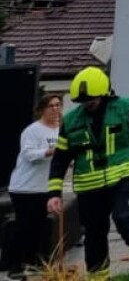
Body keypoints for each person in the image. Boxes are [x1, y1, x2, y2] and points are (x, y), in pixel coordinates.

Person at [46, 67, 129, 281]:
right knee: (94, 234)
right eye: (83, 102)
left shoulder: (126, 108)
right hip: (89, 186)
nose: (87, 105)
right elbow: (60, 158)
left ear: (104, 94)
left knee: (125, 219)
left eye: (91, 101)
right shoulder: (71, 121)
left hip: (123, 178)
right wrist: (54, 193)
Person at [4, 94, 63, 279]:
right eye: (51, 106)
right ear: (42, 109)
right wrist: (50, 151)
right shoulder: (32, 131)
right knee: (24, 226)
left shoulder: (61, 131)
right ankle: (13, 265)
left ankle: (34, 263)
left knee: (39, 227)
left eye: (58, 105)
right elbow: (29, 155)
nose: (56, 109)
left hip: (45, 187)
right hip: (25, 187)